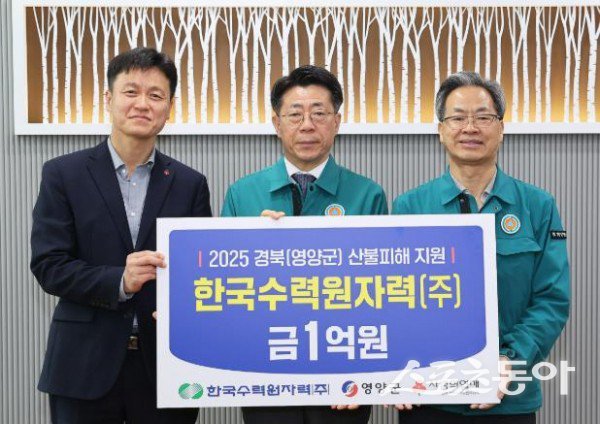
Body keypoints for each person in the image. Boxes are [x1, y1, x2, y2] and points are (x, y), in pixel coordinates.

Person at [30, 47, 211, 423]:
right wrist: (120, 281)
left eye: (155, 95)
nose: (142, 104)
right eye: (131, 92)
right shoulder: (63, 174)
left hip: (165, 367)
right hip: (83, 365)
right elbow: (49, 265)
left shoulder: (190, 183)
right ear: (109, 99)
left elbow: (201, 274)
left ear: (169, 107)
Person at [391, 72, 570, 423]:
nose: (470, 128)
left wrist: (510, 361)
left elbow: (552, 298)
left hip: (508, 396)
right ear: (441, 130)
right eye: (458, 118)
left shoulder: (538, 205)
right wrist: (398, 366)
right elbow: (392, 299)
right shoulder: (410, 206)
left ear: (501, 128)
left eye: (483, 117)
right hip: (428, 396)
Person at [222, 65, 387, 424]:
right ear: (276, 123)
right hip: (265, 372)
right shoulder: (242, 193)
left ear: (337, 122)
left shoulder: (368, 194)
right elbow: (222, 287)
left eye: (319, 114)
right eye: (295, 114)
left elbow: (383, 295)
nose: (307, 125)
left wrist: (367, 373)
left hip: (343, 376)